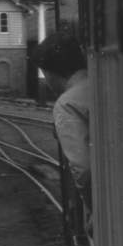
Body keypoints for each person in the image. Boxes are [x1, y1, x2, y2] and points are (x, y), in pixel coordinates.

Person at [32, 31, 91, 209]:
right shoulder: (102, 81)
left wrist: (93, 209)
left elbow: (83, 169)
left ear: (52, 72)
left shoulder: (66, 104)